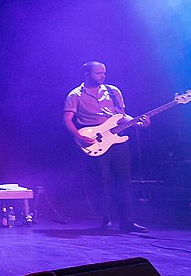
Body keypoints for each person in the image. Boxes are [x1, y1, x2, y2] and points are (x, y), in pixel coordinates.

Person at [63, 61, 149, 233]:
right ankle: (105, 221)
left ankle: (127, 222)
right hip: (95, 140)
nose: (103, 76)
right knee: (102, 182)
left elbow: (121, 116)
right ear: (87, 74)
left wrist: (137, 122)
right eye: (98, 73)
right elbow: (67, 119)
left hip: (117, 140)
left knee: (124, 181)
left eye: (104, 72)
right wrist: (79, 136)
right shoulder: (75, 95)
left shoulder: (113, 91)